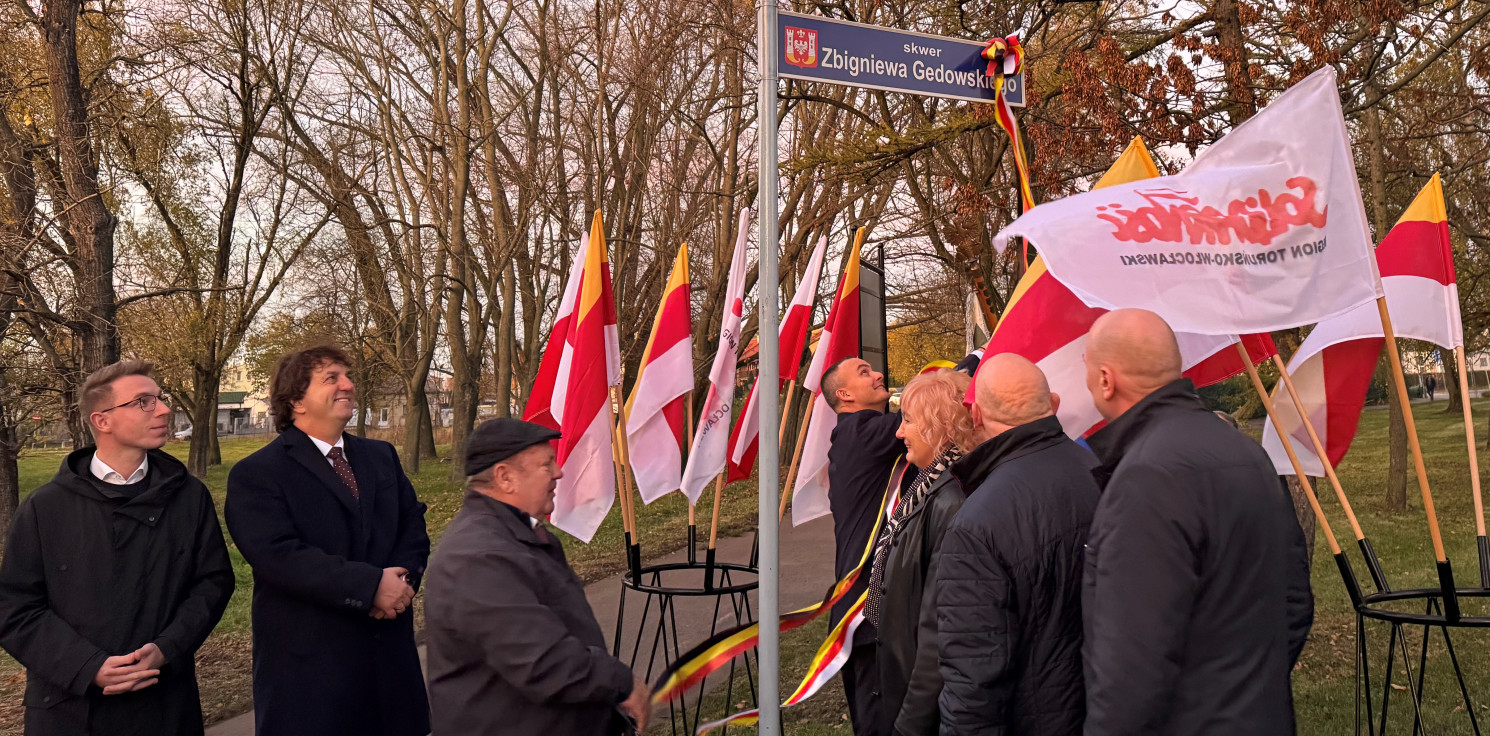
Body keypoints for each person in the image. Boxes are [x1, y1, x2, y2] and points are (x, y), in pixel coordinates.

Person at [1080, 310, 1313, 735]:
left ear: (1106, 379)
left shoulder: (1145, 479)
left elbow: (1130, 670)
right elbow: (1295, 603)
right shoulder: (1248, 454)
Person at [0, 360, 234, 735]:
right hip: (69, 712)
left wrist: (167, 649)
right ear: (102, 421)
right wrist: (86, 666)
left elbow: (213, 583)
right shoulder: (45, 507)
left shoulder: (189, 497)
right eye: (143, 401)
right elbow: (15, 608)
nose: (163, 409)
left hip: (164, 705)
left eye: (160, 398)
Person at [226, 345, 431, 736]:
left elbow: (412, 526)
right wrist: (370, 587)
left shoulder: (381, 456)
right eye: (331, 378)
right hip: (313, 677)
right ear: (295, 401)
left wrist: (401, 585)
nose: (348, 385)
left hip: (389, 668)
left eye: (347, 376)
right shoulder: (258, 474)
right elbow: (279, 557)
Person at [425, 418, 651, 736]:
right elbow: (543, 662)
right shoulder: (477, 558)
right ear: (505, 478)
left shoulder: (513, 534)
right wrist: (620, 683)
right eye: (546, 464)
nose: (558, 472)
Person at [934, 354, 1100, 736]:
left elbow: (973, 678)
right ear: (1053, 404)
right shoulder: (1108, 474)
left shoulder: (976, 524)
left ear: (976, 417)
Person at [868, 369, 975, 736]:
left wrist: (911, 722)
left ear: (941, 428)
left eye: (909, 420)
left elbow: (939, 631)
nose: (899, 432)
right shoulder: (932, 484)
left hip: (923, 709)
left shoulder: (953, 499)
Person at [822, 356, 905, 736]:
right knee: (880, 723)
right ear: (844, 395)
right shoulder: (861, 430)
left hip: (870, 606)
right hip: (867, 608)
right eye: (864, 373)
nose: (878, 374)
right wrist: (974, 363)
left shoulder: (860, 432)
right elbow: (931, 417)